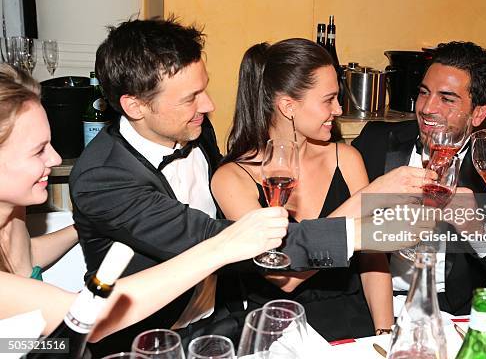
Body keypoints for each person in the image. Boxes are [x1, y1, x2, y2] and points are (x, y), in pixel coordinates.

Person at [69, 18, 431, 353]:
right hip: (148, 341)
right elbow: (223, 239)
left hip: (218, 325)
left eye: (203, 90)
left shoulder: (193, 129)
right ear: (134, 106)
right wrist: (363, 228)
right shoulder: (103, 178)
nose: (208, 105)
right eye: (190, 98)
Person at [0, 63, 288, 346]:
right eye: (38, 150)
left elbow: (24, 257)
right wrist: (221, 247)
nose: (54, 159)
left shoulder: (12, 216)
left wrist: (86, 223)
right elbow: (87, 320)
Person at [212, 39, 431, 340]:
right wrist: (368, 199)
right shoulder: (232, 178)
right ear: (288, 106)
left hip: (355, 321)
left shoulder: (346, 158)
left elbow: (372, 258)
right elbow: (283, 277)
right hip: (283, 333)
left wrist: (384, 332)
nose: (339, 109)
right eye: (328, 100)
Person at [351, 41, 486, 314]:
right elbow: (336, 231)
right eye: (424, 93)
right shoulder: (376, 142)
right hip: (372, 305)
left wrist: (477, 231)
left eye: (447, 99)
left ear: (479, 113)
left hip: (449, 312)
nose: (427, 108)